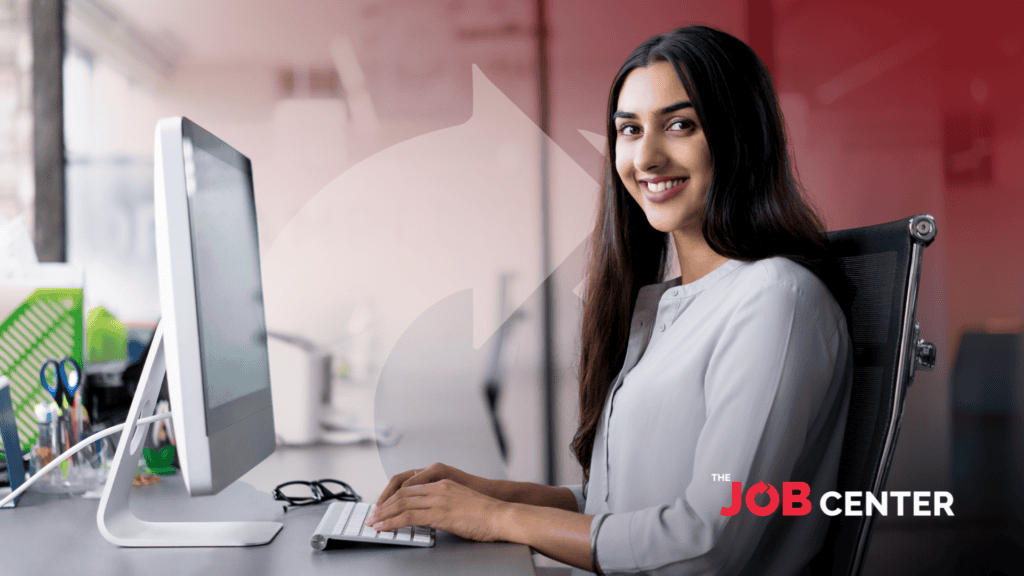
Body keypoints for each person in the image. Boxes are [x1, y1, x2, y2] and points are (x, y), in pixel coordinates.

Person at [365, 25, 852, 575]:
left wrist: (497, 518)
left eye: (680, 125)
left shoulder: (774, 300)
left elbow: (705, 541)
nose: (647, 157)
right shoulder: (674, 304)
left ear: (740, 136)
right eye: (629, 129)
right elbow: (620, 509)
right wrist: (486, 495)